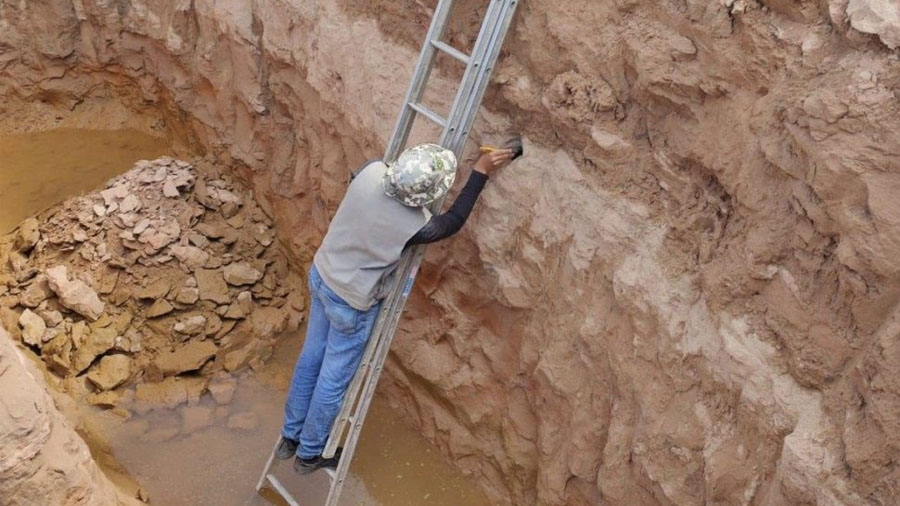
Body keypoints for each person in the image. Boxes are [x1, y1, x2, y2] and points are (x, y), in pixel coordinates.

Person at [277, 142, 516, 474]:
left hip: (322, 275)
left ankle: (290, 438)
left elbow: (378, 175)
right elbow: (452, 222)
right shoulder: (414, 225)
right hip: (351, 301)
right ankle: (310, 454)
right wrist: (481, 170)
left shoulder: (370, 172)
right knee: (332, 378)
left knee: (311, 356)